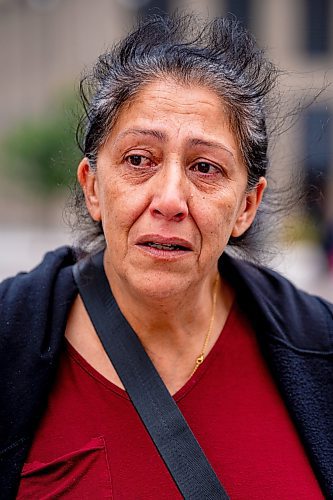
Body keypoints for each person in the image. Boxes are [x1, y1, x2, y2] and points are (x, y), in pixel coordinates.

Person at [1, 13, 333, 499]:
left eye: (205, 167)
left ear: (246, 206)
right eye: (139, 159)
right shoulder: (10, 337)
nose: (171, 198)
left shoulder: (319, 348)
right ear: (93, 187)